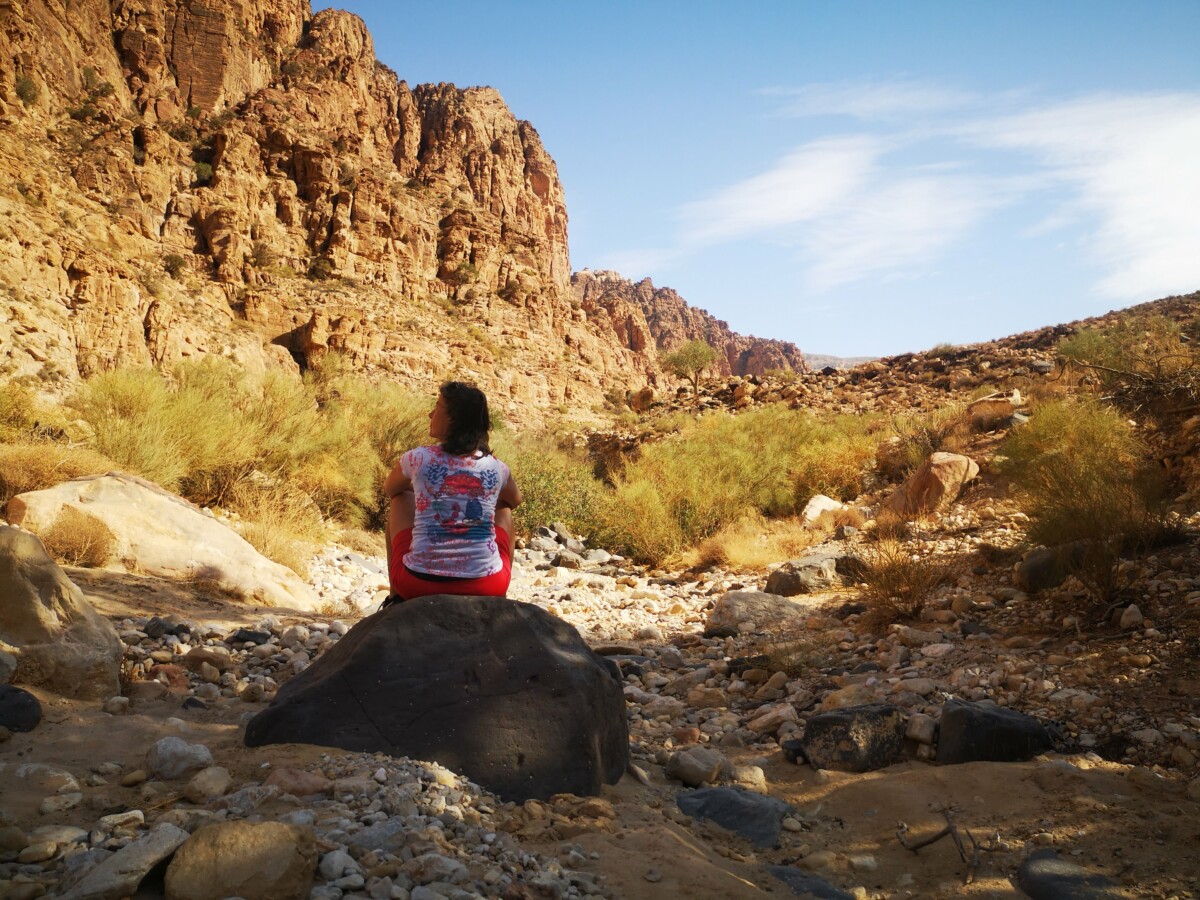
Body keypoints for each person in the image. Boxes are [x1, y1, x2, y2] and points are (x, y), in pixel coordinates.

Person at [382, 381, 521, 603]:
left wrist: (425, 489)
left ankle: (395, 597)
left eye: (436, 407)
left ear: (454, 419)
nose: (430, 414)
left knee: (400, 499)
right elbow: (515, 499)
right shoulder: (496, 466)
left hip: (417, 584)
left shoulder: (417, 459)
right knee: (503, 507)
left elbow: (391, 489)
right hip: (487, 586)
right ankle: (500, 601)